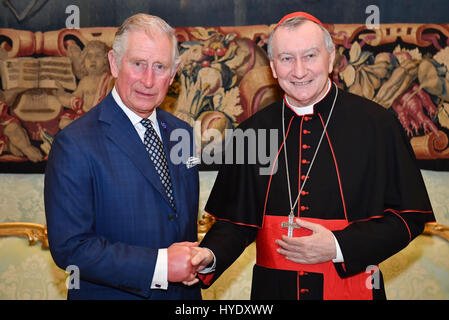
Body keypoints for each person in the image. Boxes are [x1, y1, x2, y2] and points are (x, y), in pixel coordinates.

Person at [189, 12, 436, 300]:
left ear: (330, 59)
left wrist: (338, 245)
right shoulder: (252, 132)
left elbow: (408, 217)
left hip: (355, 288)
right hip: (274, 291)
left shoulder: (377, 125)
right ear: (272, 67)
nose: (299, 71)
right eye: (286, 59)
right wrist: (210, 255)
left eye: (310, 56)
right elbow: (235, 224)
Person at [44, 14, 201, 300]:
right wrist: (161, 265)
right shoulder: (74, 143)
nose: (149, 80)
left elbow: (182, 225)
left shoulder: (183, 134)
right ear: (115, 64)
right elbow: (72, 248)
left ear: (174, 73)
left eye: (160, 67)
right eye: (138, 64)